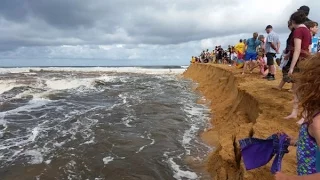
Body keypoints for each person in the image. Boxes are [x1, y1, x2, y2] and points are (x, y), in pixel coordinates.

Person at [275, 55, 320, 180]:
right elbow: (312, 143)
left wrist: (289, 178)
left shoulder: (317, 123)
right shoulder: (313, 116)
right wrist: (292, 141)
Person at [284, 11, 312, 120]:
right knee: (298, 89)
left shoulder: (298, 31)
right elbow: (308, 49)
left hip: (300, 62)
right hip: (307, 61)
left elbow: (297, 50)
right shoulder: (307, 31)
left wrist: (291, 67)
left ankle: (304, 115)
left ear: (293, 21)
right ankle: (296, 113)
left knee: (300, 90)